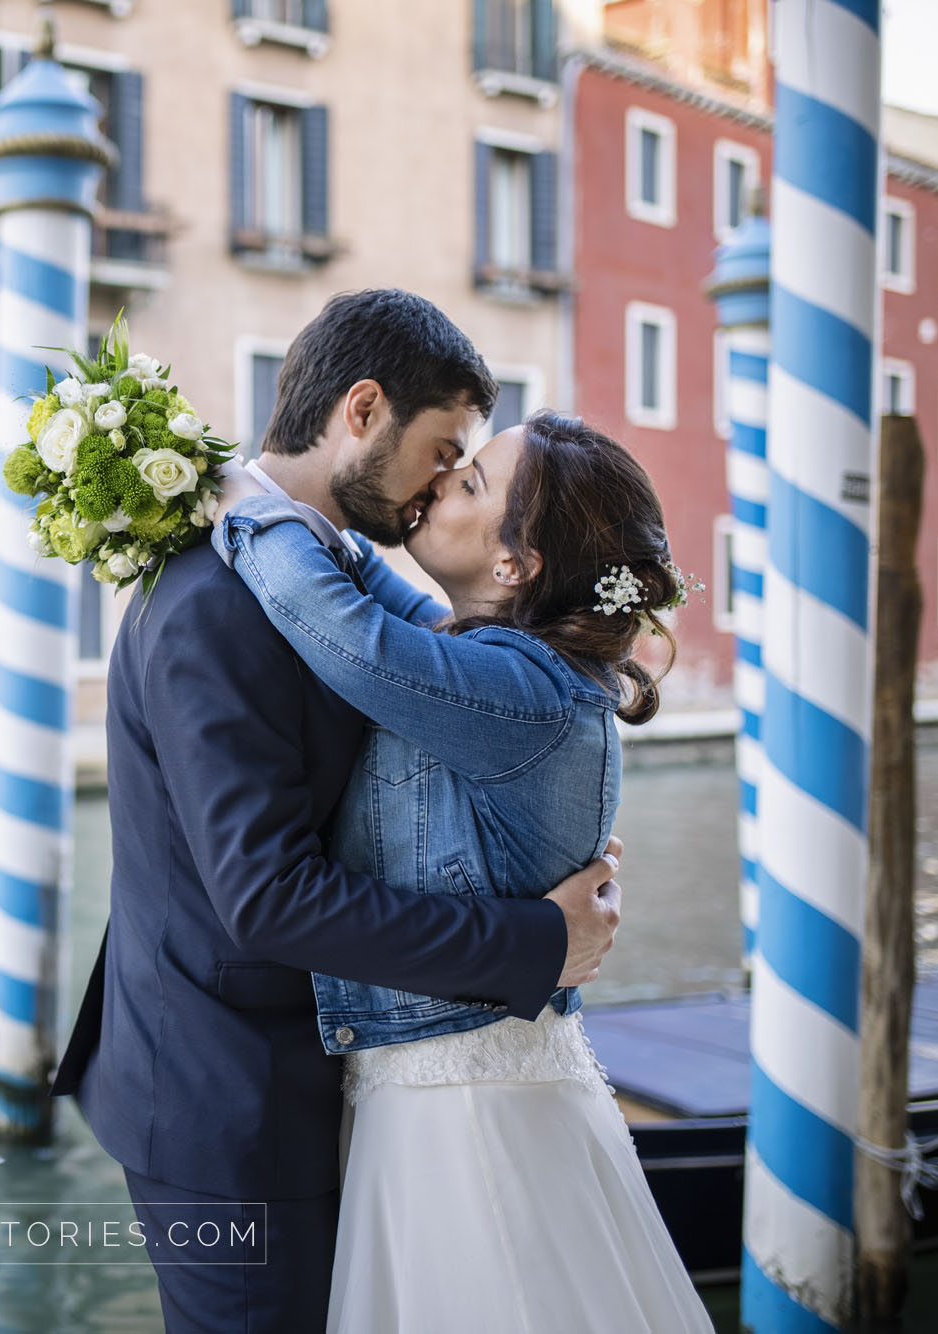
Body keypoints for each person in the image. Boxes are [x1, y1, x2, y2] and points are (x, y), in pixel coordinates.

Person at [49, 290, 624, 1331]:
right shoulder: (216, 600)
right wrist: (538, 939)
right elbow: (267, 898)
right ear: (362, 412)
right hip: (230, 1104)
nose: (441, 485)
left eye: (465, 470)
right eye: (442, 452)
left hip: (332, 1080)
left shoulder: (321, 573)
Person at [210, 407, 712, 1332]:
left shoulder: (520, 692)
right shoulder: (504, 661)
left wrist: (243, 498)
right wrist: (319, 509)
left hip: (469, 1113)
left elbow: (347, 631)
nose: (441, 482)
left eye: (471, 482)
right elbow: (376, 597)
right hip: (446, 1089)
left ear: (516, 565)